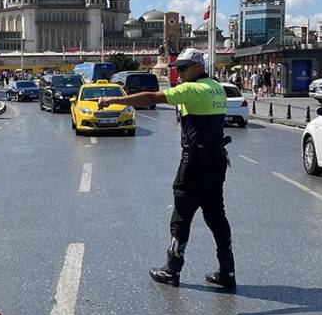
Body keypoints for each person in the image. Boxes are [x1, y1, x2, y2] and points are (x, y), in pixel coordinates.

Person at [97, 48, 236, 290]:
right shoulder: (216, 87)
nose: (179, 73)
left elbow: (151, 98)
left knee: (182, 214)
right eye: (177, 69)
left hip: (195, 161)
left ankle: (172, 269)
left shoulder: (192, 90)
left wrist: (114, 100)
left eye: (183, 68)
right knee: (216, 215)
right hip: (217, 160)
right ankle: (227, 271)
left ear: (199, 67)